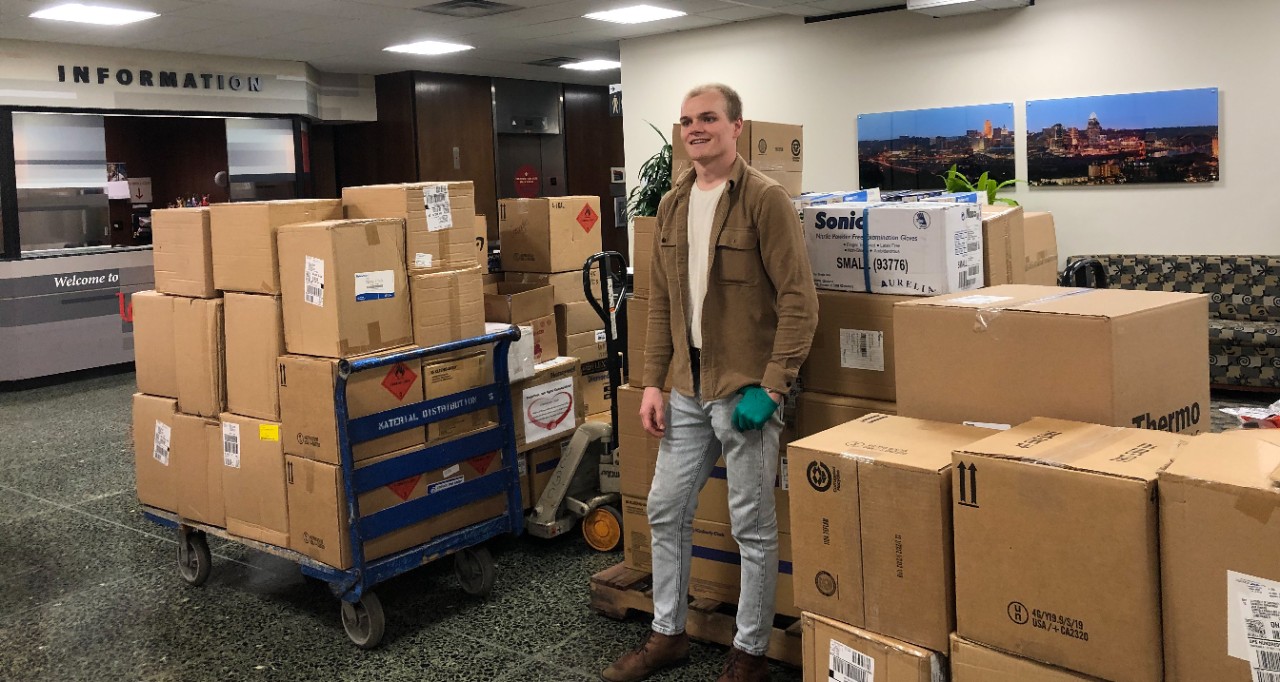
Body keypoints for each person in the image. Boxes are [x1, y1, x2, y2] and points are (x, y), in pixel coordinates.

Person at [602, 84, 818, 682]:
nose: (695, 129)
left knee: (752, 526)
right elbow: (661, 305)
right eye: (686, 121)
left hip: (745, 391)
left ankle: (749, 654)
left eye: (708, 118)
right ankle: (667, 634)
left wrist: (773, 387)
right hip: (685, 391)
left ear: (736, 127)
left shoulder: (764, 200)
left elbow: (800, 302)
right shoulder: (672, 204)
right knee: (665, 509)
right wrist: (651, 383)